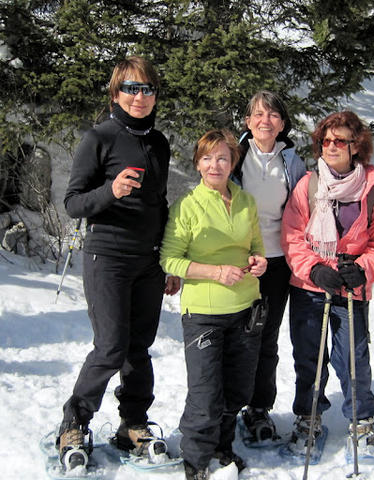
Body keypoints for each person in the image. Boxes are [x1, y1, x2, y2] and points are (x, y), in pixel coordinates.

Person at [57, 56, 180, 471]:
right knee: (110, 347)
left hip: (148, 261)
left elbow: (159, 204)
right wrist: (110, 190)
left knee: (139, 348)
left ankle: (133, 423)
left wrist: (166, 260)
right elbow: (73, 202)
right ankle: (73, 423)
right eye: (131, 88)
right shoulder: (99, 138)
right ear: (116, 93)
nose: (139, 96)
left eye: (147, 89)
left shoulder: (158, 143)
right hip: (106, 256)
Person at [280, 110, 374, 456]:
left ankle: (362, 421)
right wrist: (314, 270)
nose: (331, 146)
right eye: (326, 140)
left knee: (352, 358)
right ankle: (309, 417)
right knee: (309, 357)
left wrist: (362, 268)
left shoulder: (373, 191)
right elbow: (291, 235)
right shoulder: (309, 185)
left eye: (339, 140)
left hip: (351, 288)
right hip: (309, 287)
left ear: (355, 146)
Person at [160, 129, 268, 480]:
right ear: (197, 163)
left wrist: (258, 261)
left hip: (246, 306)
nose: (214, 164)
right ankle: (195, 459)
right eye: (207, 158)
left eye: (222, 157)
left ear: (233, 162)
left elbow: (256, 247)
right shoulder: (186, 206)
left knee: (238, 389)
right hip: (204, 313)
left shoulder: (246, 202)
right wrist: (214, 272)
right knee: (206, 393)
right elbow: (169, 260)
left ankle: (223, 447)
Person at [232, 90, 306, 442]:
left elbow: (304, 210)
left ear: (282, 123)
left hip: (277, 262)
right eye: (259, 114)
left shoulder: (292, 162)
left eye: (273, 115)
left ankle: (259, 409)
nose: (266, 121)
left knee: (266, 338)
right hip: (239, 261)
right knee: (233, 335)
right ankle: (226, 406)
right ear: (248, 121)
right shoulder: (233, 156)